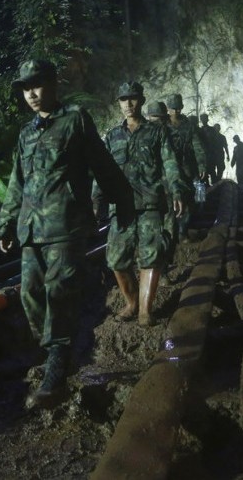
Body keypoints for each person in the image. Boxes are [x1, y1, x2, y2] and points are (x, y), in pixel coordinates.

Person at [0, 59, 134, 409]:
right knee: (30, 294)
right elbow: (17, 183)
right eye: (26, 88)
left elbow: (102, 164)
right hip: (31, 228)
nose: (32, 94)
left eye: (38, 85)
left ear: (54, 85)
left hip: (66, 225)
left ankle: (57, 366)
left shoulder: (75, 121)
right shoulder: (26, 134)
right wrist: (6, 223)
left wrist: (123, 202)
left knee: (60, 291)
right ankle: (58, 350)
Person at [94, 82, 183, 326]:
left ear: (141, 101)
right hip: (121, 207)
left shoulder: (157, 132)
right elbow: (103, 171)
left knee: (151, 256)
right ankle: (131, 302)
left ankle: (145, 309)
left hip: (151, 203)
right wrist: (96, 199)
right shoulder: (112, 136)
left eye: (133, 99)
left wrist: (176, 190)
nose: (128, 104)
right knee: (116, 259)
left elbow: (170, 162)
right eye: (124, 99)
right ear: (119, 102)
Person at [165, 93, 206, 243]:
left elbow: (197, 145)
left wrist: (202, 164)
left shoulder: (188, 125)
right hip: (168, 169)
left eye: (178, 108)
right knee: (171, 202)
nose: (175, 111)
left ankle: (183, 231)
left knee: (194, 198)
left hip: (187, 167)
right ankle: (171, 233)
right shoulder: (162, 125)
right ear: (168, 109)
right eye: (172, 108)